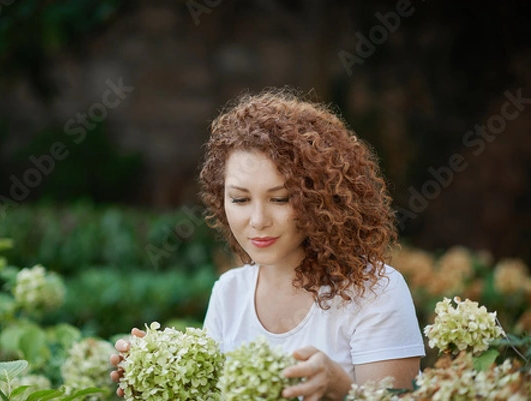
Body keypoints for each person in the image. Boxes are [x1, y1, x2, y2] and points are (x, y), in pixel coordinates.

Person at [111, 88, 425, 400]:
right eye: (240, 199)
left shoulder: (375, 294)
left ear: (320, 199)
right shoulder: (229, 293)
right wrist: (155, 376)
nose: (258, 220)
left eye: (279, 198)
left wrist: (340, 389)